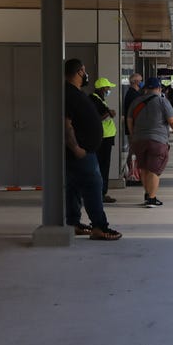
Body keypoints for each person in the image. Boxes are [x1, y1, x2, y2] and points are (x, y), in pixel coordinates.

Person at [64, 59, 122, 240]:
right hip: (81, 152)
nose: (86, 74)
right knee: (93, 186)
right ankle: (99, 226)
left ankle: (73, 223)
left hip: (83, 151)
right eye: (85, 70)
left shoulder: (74, 93)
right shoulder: (69, 94)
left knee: (73, 187)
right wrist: (76, 148)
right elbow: (65, 124)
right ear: (80, 71)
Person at [127, 77, 173, 208]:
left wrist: (133, 135)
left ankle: (148, 194)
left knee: (143, 168)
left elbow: (129, 120)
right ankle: (152, 199)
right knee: (154, 170)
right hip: (157, 141)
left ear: (145, 88)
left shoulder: (136, 101)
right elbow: (172, 121)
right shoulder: (162, 101)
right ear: (159, 88)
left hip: (139, 140)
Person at [91, 77, 117, 203]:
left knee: (103, 166)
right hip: (103, 138)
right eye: (107, 88)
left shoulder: (99, 99)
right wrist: (109, 113)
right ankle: (100, 193)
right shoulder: (95, 100)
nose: (109, 90)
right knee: (103, 166)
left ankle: (101, 192)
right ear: (102, 89)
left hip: (105, 137)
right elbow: (96, 118)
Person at [122, 72, 143, 185]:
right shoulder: (133, 95)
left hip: (133, 129)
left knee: (133, 152)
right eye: (140, 81)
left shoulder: (132, 93)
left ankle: (132, 174)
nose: (141, 83)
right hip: (134, 129)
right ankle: (133, 175)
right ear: (135, 82)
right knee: (134, 152)